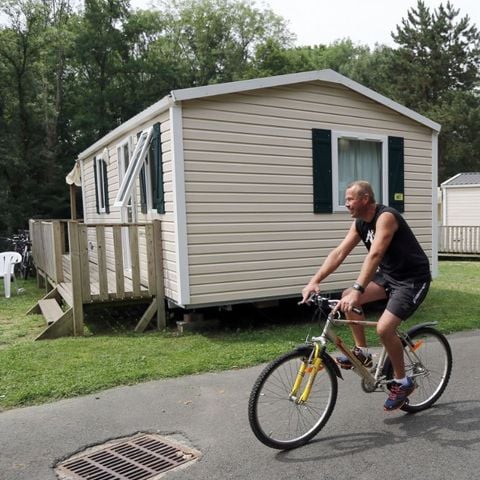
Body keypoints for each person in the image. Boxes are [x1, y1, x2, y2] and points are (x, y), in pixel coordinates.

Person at [301, 180, 431, 411]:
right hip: (389, 277)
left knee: (384, 328)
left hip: (412, 280)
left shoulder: (386, 217)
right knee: (346, 298)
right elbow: (339, 252)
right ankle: (362, 353)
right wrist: (315, 280)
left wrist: (358, 289)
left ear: (364, 199)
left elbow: (376, 254)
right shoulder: (360, 223)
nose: (346, 203)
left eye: (350, 199)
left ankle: (403, 382)